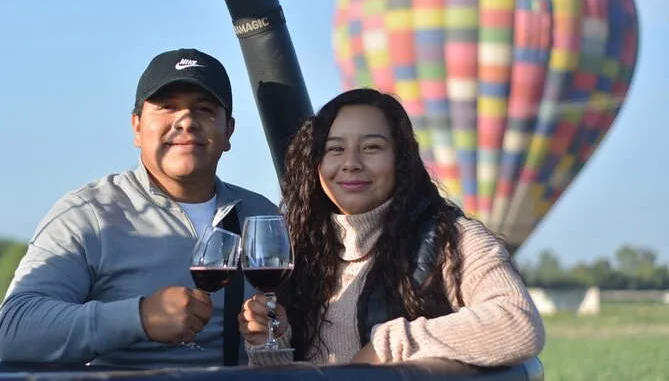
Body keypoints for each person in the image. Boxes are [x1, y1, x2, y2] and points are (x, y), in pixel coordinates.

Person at [0, 48, 277, 368]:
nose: (187, 122)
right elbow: (13, 331)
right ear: (136, 127)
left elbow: (302, 333)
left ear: (228, 131)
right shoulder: (88, 214)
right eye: (167, 107)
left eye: (204, 109)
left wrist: (278, 332)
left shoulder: (263, 216)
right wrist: (140, 317)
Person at [239, 88, 545, 367]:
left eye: (371, 147)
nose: (351, 163)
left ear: (402, 158)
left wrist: (386, 346)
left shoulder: (450, 239)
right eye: (335, 149)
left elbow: (518, 323)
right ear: (315, 163)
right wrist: (271, 344)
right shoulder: (302, 251)